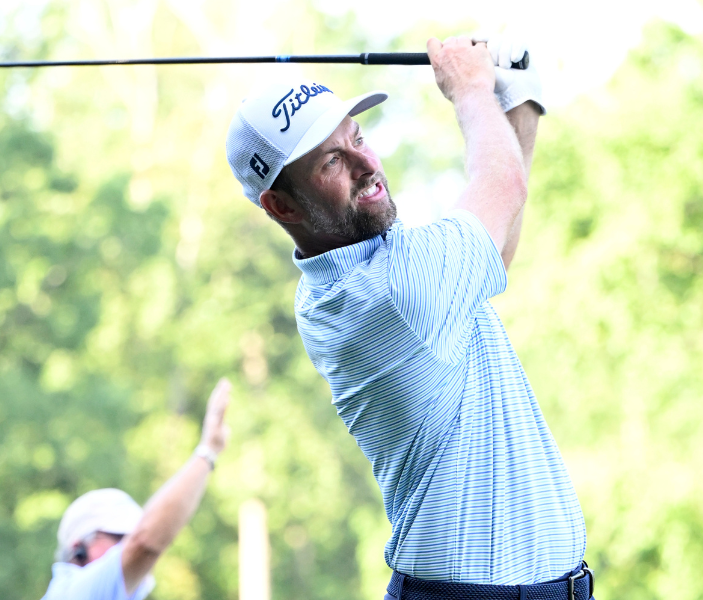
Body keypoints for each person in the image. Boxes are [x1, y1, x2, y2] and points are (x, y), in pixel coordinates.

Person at [226, 33, 594, 600]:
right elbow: (501, 185)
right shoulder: (385, 293)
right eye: (332, 160)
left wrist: (517, 107)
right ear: (281, 205)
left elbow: (494, 246)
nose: (366, 164)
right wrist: (471, 90)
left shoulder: (371, 269)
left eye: (357, 139)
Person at [40, 378, 231, 600]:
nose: (129, 549)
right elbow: (144, 543)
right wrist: (208, 451)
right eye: (120, 538)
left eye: (130, 538)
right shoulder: (76, 593)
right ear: (79, 549)